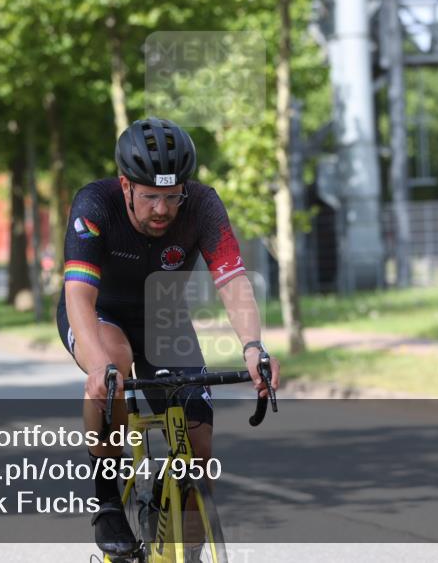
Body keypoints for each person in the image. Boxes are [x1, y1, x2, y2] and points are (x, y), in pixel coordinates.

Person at [56, 117, 281, 558]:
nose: (162, 210)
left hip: (163, 319)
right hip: (99, 312)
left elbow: (233, 280)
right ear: (126, 186)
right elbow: (79, 294)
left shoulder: (202, 205)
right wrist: (98, 364)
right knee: (114, 362)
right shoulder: (94, 204)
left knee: (200, 452)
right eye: (151, 197)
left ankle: (181, 538)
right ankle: (107, 502)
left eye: (172, 195)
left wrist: (253, 346)